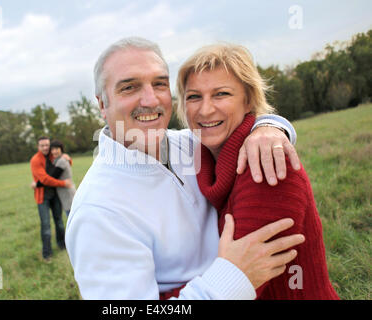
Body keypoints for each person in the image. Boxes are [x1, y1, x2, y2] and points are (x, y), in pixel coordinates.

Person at [65, 37, 305, 299]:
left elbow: (237, 124)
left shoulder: (193, 145)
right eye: (130, 87)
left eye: (159, 84)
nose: (149, 99)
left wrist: (270, 126)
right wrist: (233, 277)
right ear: (102, 104)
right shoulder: (98, 211)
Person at [175, 43, 339, 299]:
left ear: (249, 99)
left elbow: (233, 283)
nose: (205, 109)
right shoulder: (201, 163)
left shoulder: (267, 167)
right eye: (194, 96)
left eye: (221, 94)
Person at [30, 136, 72, 262]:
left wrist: (68, 157)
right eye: (42, 145)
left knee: (59, 221)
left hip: (55, 196)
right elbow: (45, 180)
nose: (45, 148)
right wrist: (63, 183)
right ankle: (47, 254)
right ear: (38, 147)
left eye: (47, 145)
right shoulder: (35, 160)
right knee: (46, 225)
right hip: (42, 197)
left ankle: (62, 245)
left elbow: (66, 164)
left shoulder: (53, 155)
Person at [37, 140, 76, 217]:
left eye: (57, 149)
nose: (54, 151)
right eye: (52, 149)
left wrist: (38, 184)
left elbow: (53, 177)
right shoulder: (57, 160)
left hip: (67, 194)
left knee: (71, 217)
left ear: (61, 149)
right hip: (64, 193)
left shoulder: (61, 161)